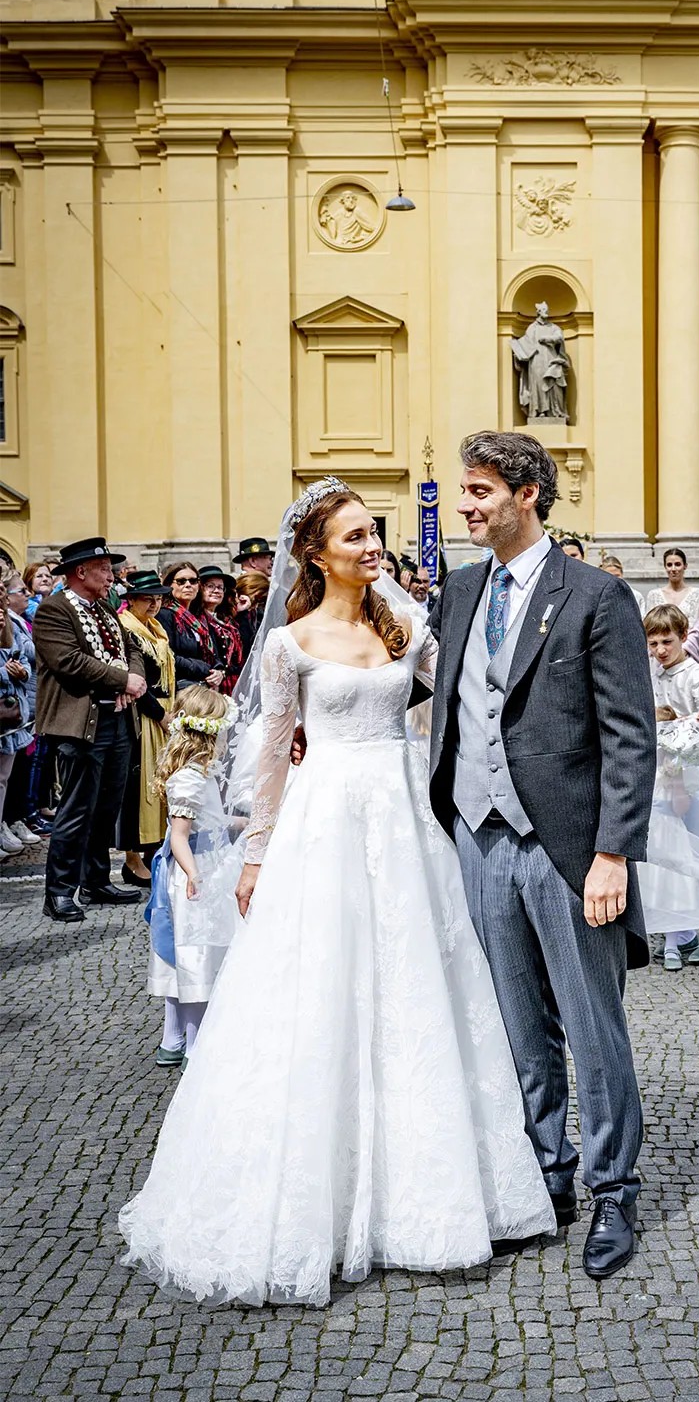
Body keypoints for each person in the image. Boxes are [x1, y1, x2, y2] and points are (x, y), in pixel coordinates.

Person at [120, 479, 555, 1304]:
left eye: (373, 534)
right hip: (324, 824)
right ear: (316, 554)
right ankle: (315, 1195)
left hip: (404, 816)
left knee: (419, 985)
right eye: (354, 537)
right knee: (319, 990)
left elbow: (472, 690)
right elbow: (277, 753)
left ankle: (427, 1190)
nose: (372, 547)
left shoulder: (408, 626)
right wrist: (255, 856)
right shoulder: (287, 644)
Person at [428, 431, 655, 1280]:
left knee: (593, 1027)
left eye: (480, 490)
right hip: (480, 838)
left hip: (566, 847)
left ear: (527, 493)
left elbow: (631, 739)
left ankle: (613, 1188)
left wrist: (612, 855)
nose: (465, 505)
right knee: (519, 1027)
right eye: (464, 490)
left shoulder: (596, 595)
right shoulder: (457, 591)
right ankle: (544, 1175)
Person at [33, 537, 147, 922]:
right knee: (77, 808)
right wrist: (123, 681)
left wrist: (134, 675)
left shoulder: (105, 608)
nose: (111, 576)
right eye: (104, 569)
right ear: (80, 572)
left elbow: (131, 647)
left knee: (106, 808)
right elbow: (69, 661)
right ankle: (59, 891)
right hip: (79, 725)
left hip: (115, 719)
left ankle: (96, 881)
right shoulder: (54, 610)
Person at [146, 686, 236, 1070]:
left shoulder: (202, 773)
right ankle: (194, 1043)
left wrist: (243, 823)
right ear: (209, 733)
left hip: (205, 861)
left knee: (185, 951)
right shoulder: (188, 779)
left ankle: (172, 1036)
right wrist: (195, 875)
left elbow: (210, 821)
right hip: (194, 873)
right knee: (195, 951)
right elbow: (180, 835)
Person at [642, 604, 699, 971]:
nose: (661, 650)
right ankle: (685, 928)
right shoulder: (656, 675)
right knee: (674, 853)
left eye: (667, 642)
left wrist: (679, 722)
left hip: (697, 773)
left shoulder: (694, 675)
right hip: (668, 773)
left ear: (682, 637)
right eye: (654, 643)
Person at [117, 571, 176, 887]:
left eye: (158, 598)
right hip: (143, 714)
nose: (154, 603)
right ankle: (131, 857)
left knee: (159, 782)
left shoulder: (157, 627)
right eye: (147, 598)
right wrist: (159, 714)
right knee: (139, 785)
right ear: (132, 600)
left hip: (164, 709)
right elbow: (137, 680)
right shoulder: (129, 629)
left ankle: (155, 848)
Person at [0, 572, 43, 850]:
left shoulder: (9, 625)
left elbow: (24, 660)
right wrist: (5, 673)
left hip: (11, 712)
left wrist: (20, 671)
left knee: (3, 778)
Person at [158, 564, 224, 691]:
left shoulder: (200, 616)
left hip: (205, 687)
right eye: (181, 581)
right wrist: (205, 669)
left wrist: (219, 672)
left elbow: (215, 655)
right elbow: (169, 656)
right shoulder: (164, 614)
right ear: (169, 585)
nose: (188, 585)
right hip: (181, 688)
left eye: (193, 581)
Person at [191, 567, 243, 695]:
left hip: (232, 685)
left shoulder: (229, 621)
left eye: (220, 587)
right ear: (200, 588)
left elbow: (240, 659)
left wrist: (244, 612)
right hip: (206, 684)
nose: (216, 591)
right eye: (210, 586)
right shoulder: (193, 620)